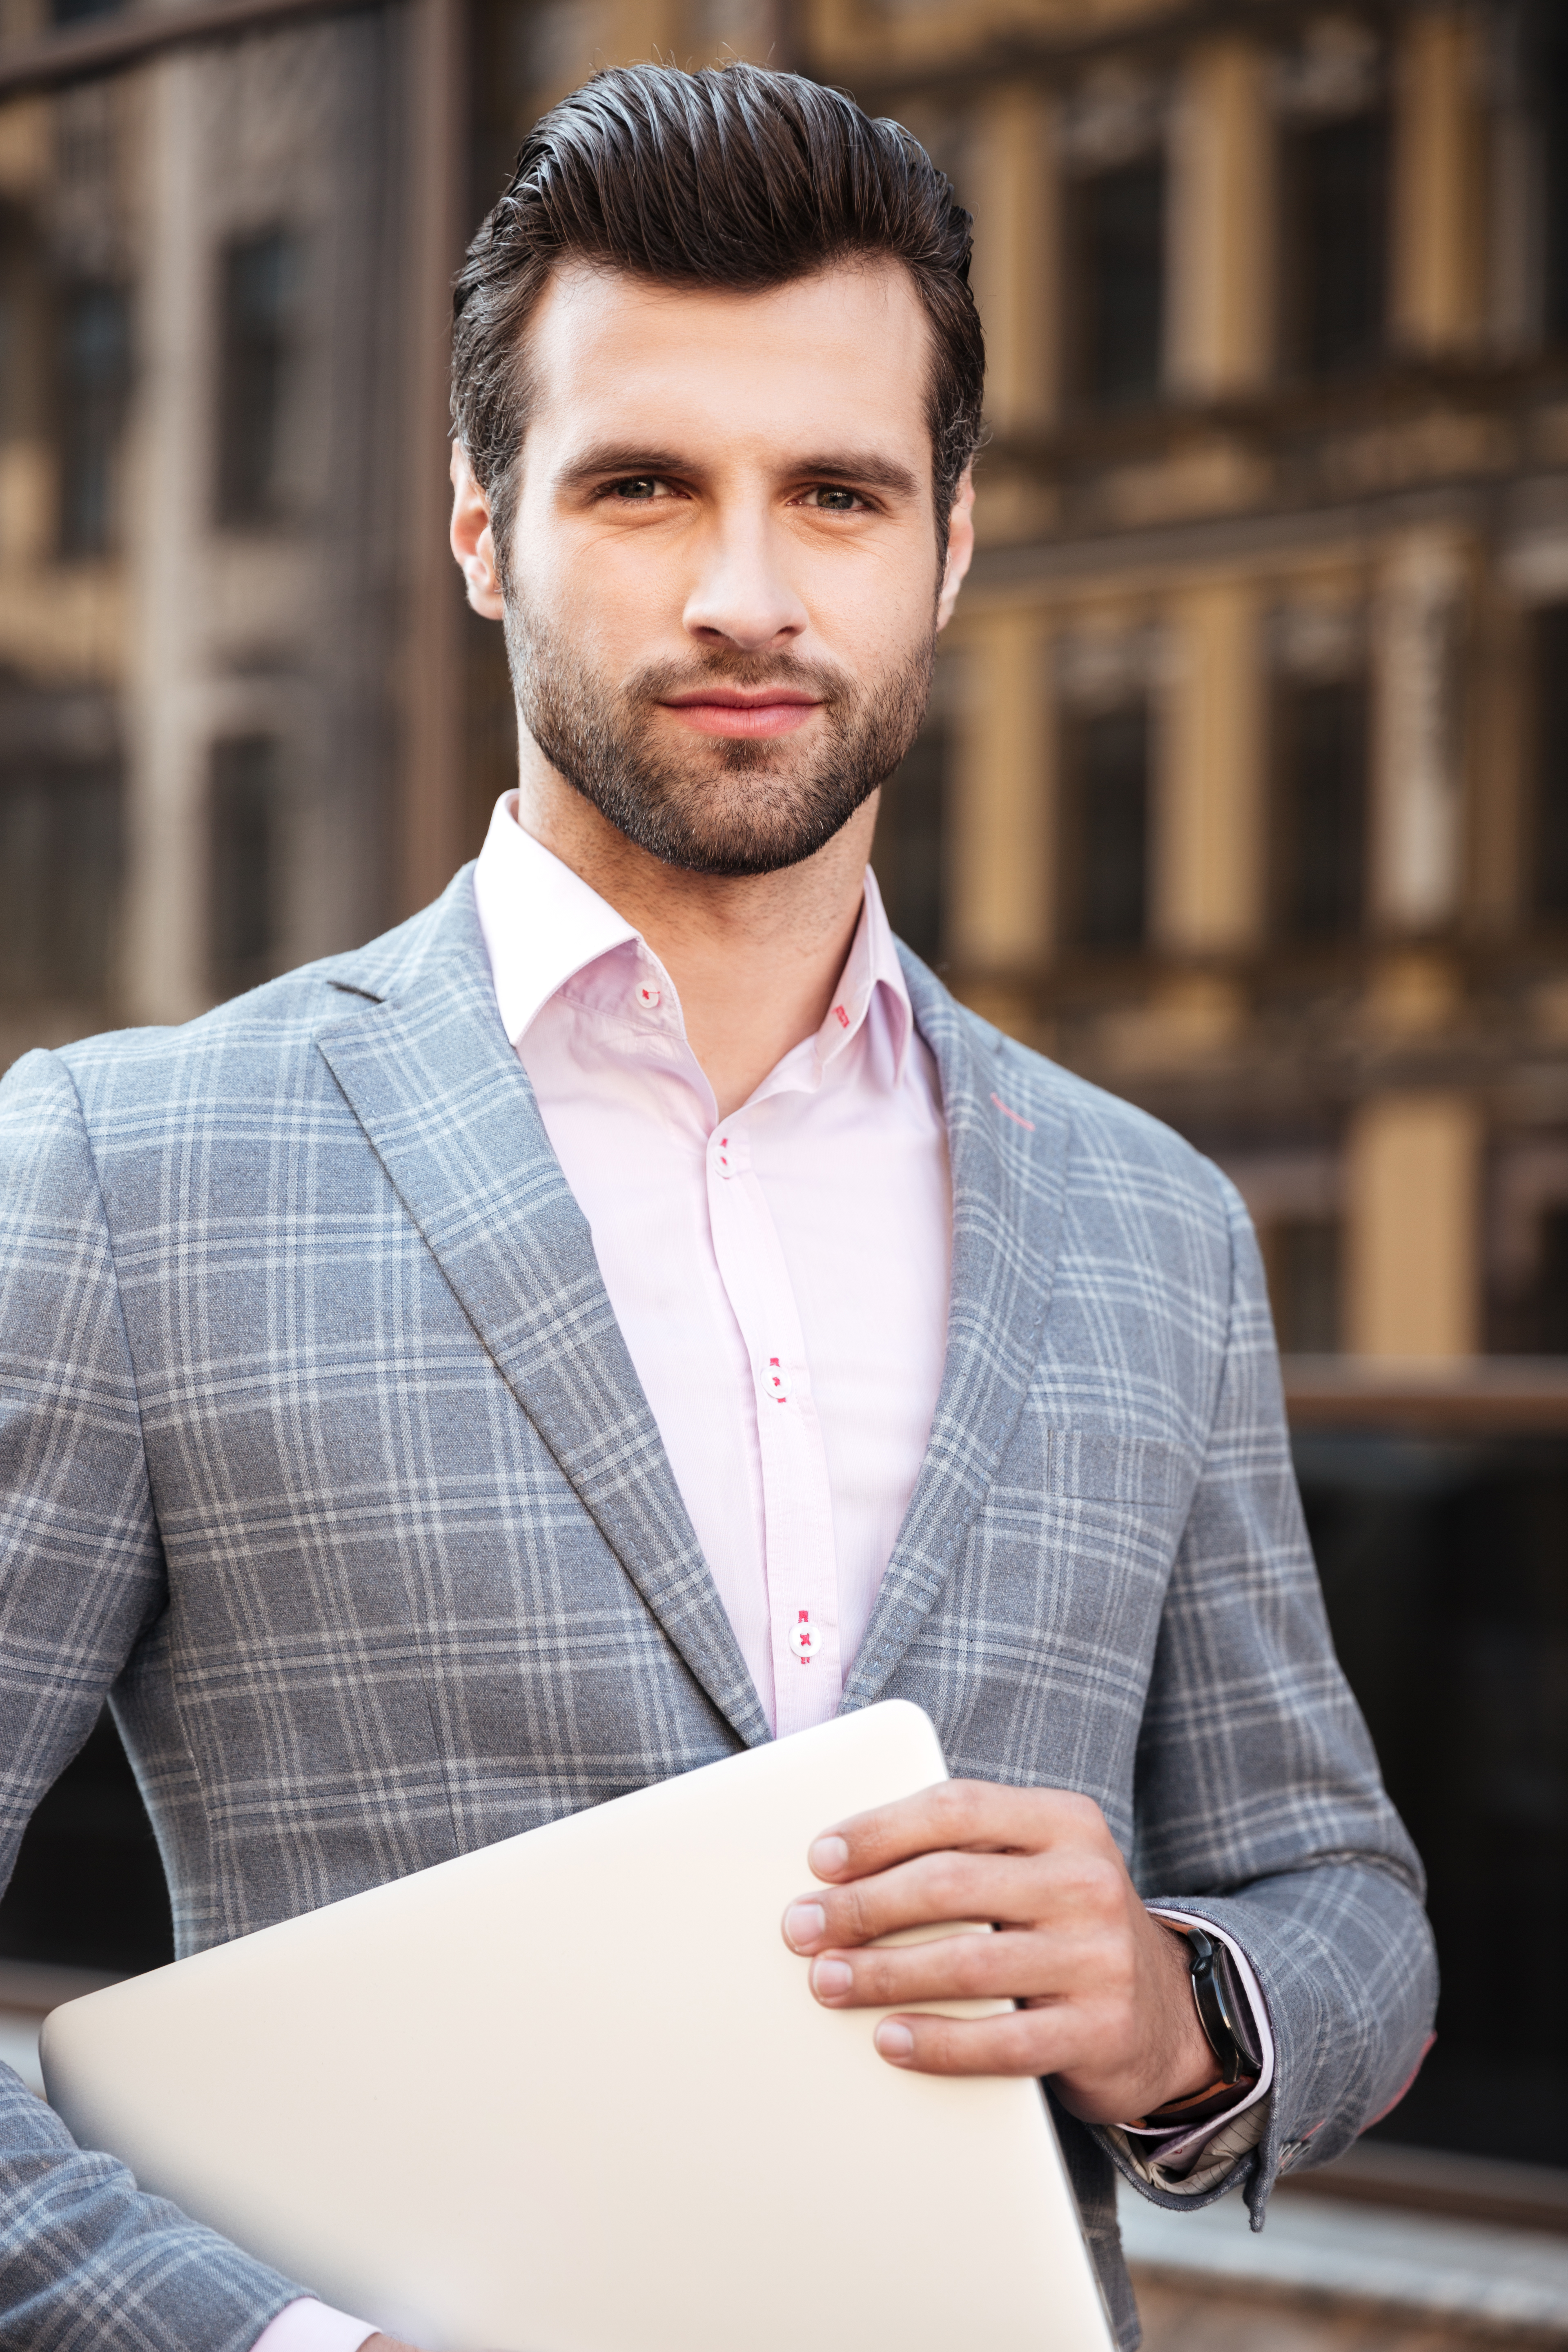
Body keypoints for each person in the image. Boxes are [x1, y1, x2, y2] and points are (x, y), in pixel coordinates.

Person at [0, 61, 1435, 2352]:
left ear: (951, 547)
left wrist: (1182, 2002)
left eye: (840, 494)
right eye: (645, 484)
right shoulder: (125, 1170)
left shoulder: (1153, 1222)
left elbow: (1344, 1894)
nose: (748, 592)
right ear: (485, 526)